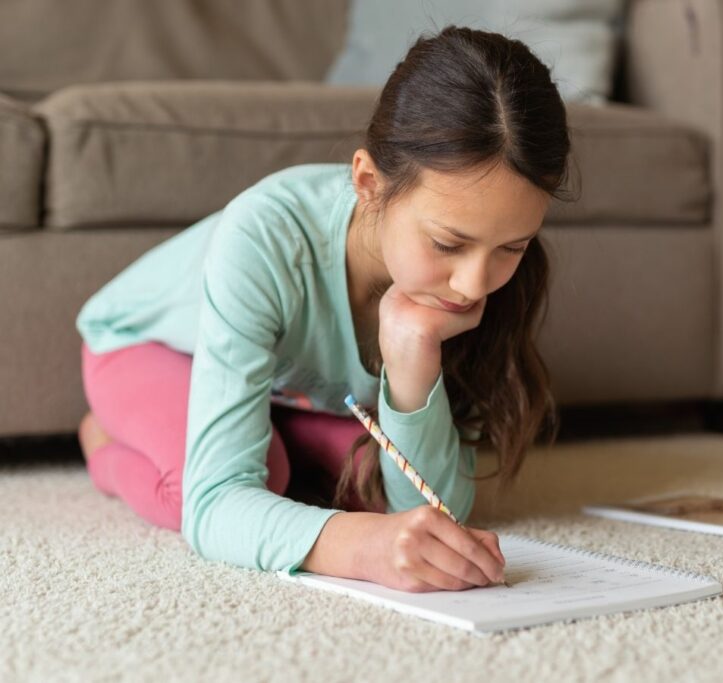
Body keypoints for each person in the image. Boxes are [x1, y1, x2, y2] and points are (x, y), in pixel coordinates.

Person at [75, 26, 574, 593]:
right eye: (447, 244)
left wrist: (413, 356)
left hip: (285, 386)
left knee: (371, 489)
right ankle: (102, 445)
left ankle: (268, 427)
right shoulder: (265, 236)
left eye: (512, 246)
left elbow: (435, 509)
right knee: (242, 482)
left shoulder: (476, 275)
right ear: (367, 183)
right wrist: (364, 548)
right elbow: (214, 507)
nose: (474, 284)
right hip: (147, 346)